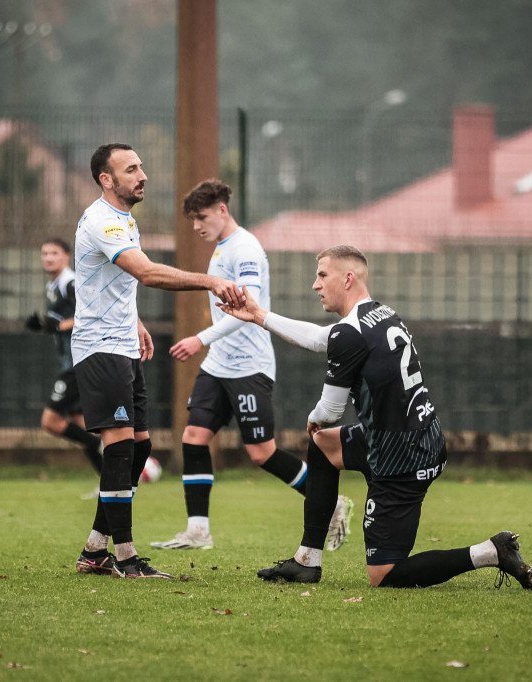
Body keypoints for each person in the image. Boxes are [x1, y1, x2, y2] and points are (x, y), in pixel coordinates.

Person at [219, 245, 532, 589]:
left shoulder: (349, 331)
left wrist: (314, 416)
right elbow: (318, 338)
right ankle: (306, 561)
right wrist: (258, 315)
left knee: (384, 575)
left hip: (402, 454)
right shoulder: (380, 314)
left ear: (348, 278)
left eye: (322, 275)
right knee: (323, 445)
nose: (315, 284)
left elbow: (329, 410)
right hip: (412, 434)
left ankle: (491, 551)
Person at [151, 180, 353, 551]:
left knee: (261, 452)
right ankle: (197, 532)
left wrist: (201, 338)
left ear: (222, 211)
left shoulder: (244, 248)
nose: (197, 225)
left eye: (202, 217)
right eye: (192, 219)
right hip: (219, 365)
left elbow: (250, 310)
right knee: (194, 438)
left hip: (249, 366)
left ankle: (332, 501)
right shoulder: (221, 248)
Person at [71, 143, 243, 579]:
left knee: (141, 447)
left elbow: (115, 283)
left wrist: (137, 322)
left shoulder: (123, 220)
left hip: (123, 343)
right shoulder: (102, 221)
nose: (142, 174)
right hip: (101, 348)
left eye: (141, 166)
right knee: (122, 447)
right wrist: (211, 281)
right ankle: (125, 558)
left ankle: (95, 550)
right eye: (131, 169)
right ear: (106, 179)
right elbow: (146, 273)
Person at [24, 238, 104, 493]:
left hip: (77, 363)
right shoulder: (53, 285)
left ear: (66, 256)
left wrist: (56, 326)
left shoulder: (71, 282)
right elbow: (61, 322)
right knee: (80, 423)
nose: (48, 258)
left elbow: (88, 313)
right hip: (71, 361)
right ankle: (111, 485)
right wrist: (44, 326)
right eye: (44, 253)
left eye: (54, 253)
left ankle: (107, 448)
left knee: (50, 421)